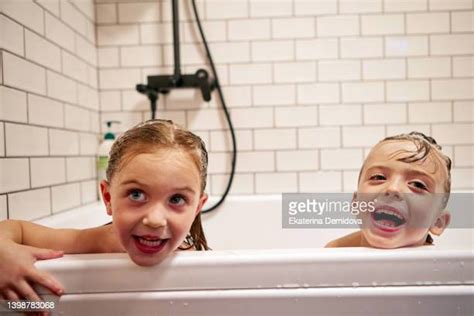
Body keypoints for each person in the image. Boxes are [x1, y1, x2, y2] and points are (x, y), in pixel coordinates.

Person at [0, 119, 209, 301]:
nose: (155, 220)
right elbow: (16, 228)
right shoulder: (100, 241)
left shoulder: (203, 264)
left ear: (197, 208)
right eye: (137, 195)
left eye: (177, 199)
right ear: (108, 198)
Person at [326, 132, 451, 248]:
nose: (393, 188)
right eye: (378, 177)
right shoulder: (333, 254)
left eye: (417, 185)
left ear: (437, 222)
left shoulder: (440, 268)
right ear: (355, 203)